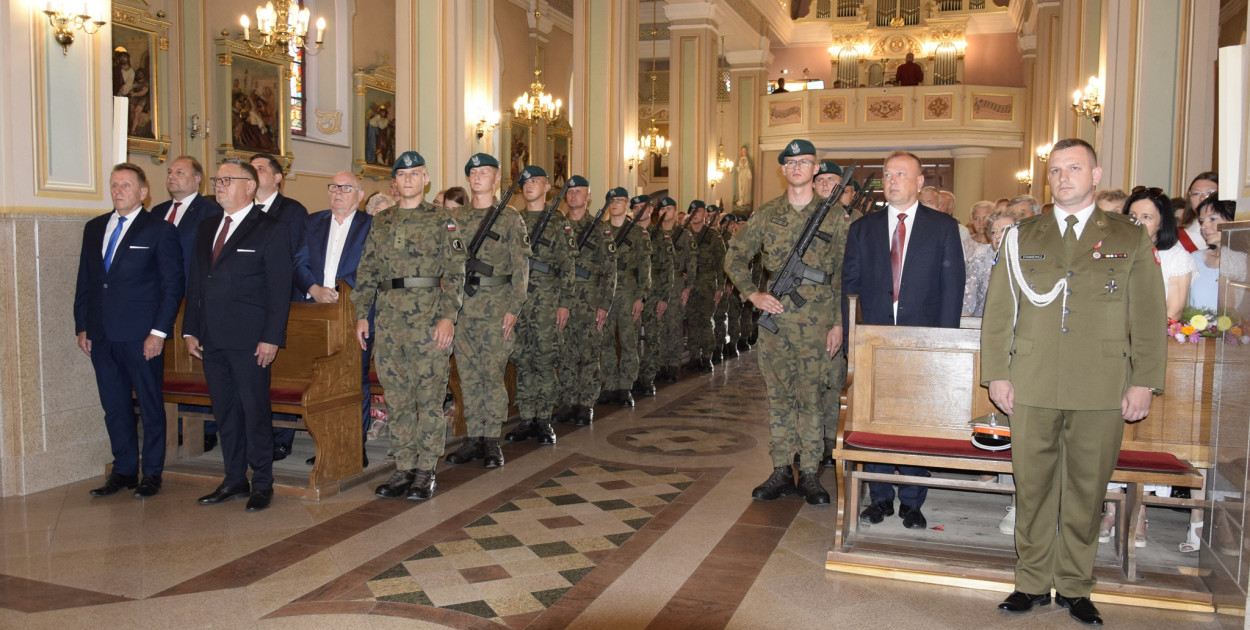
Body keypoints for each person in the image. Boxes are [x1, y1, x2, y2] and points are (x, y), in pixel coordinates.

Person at [982, 138, 1165, 626]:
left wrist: (1144, 380)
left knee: (1087, 490)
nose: (1063, 177)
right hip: (1033, 380)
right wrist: (997, 372)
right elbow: (999, 312)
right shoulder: (1023, 235)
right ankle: (1031, 583)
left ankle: (1077, 586)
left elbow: (1147, 315)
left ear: (1096, 174)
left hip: (1101, 382)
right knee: (1034, 487)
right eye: (1056, 170)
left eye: (1074, 168)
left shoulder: (1128, 236)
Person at [842, 150, 965, 530]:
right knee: (876, 420)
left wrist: (943, 345)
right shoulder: (863, 228)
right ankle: (879, 497)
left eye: (900, 173)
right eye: (887, 174)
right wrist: (852, 340)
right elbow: (850, 288)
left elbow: (952, 288)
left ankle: (912, 500)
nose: (891, 180)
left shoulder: (943, 227)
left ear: (919, 182)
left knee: (916, 423)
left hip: (923, 342)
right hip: (874, 342)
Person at [727, 138, 849, 506]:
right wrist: (752, 293)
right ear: (783, 170)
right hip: (775, 326)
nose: (797, 167)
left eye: (805, 162)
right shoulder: (765, 214)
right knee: (779, 398)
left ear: (816, 169)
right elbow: (734, 257)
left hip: (818, 325)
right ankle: (781, 469)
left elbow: (846, 273)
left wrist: (839, 323)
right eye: (791, 162)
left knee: (812, 400)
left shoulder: (834, 217)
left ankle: (810, 472)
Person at [184, 158, 293, 513]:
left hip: (250, 339)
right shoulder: (207, 227)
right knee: (225, 411)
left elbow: (280, 289)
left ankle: (262, 481)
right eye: (217, 179)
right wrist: (190, 328)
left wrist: (271, 337)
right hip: (211, 336)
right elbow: (197, 282)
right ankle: (233, 478)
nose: (219, 184)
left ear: (249, 186)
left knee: (253, 408)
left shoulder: (270, 228)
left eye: (228, 179)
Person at [356, 151, 464, 501]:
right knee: (398, 400)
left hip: (428, 322)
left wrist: (448, 316)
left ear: (425, 178)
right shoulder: (382, 221)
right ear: (395, 180)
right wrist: (361, 313)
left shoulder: (442, 219)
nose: (408, 179)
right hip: (389, 324)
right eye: (402, 174)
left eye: (414, 173)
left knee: (429, 400)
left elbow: (456, 272)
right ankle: (403, 467)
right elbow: (368, 271)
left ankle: (426, 470)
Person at [75, 163, 183, 499]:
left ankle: (151, 472)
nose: (118, 191)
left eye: (125, 185)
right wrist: (83, 326)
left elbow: (172, 286)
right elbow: (87, 282)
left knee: (150, 405)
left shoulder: (159, 231)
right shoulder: (95, 228)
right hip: (102, 333)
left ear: (143, 192)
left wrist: (158, 333)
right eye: (114, 185)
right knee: (114, 405)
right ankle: (123, 469)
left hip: (141, 335)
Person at [444, 153, 530, 469]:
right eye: (474, 172)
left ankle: (492, 439)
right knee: (468, 376)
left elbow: (522, 267)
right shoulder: (456, 219)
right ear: (469, 179)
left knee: (492, 376)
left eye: (486, 172)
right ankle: (473, 438)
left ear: (496, 179)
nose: (479, 176)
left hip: (497, 309)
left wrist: (514, 309)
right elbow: (448, 263)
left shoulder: (510, 218)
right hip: (464, 310)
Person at [290, 171, 374, 468]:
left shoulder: (371, 225)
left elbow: (372, 268)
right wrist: (312, 287)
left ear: (359, 195)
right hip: (314, 311)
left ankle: (355, 444)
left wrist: (344, 289)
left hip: (352, 311)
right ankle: (327, 443)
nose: (338, 192)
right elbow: (299, 260)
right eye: (334, 187)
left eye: (346, 188)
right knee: (321, 382)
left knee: (353, 380)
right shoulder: (312, 222)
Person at [152, 156, 225, 453]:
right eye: (170, 172)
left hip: (193, 297)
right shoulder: (157, 212)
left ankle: (206, 427)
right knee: (170, 364)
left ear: (197, 179)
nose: (171, 176)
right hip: (160, 298)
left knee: (198, 365)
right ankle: (176, 425)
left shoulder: (211, 212)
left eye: (179, 172)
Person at [506, 166, 574, 445]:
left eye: (536, 181)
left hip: (546, 299)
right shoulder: (512, 220)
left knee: (545, 360)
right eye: (525, 182)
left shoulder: (558, 222)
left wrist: (565, 304)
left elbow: (568, 266)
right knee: (522, 360)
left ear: (547, 188)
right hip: (518, 300)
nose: (529, 185)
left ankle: (544, 418)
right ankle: (526, 417)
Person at [554, 176, 617, 427]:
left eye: (579, 192)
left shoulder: (601, 230)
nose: (574, 196)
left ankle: (586, 403)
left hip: (590, 300)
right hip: (562, 300)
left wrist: (604, 304)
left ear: (588, 196)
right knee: (565, 353)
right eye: (570, 192)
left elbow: (611, 271)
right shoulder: (558, 226)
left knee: (590, 353)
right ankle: (569, 402)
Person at [598, 193, 651, 406]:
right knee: (606, 340)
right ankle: (610, 385)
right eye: (611, 201)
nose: (614, 205)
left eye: (619, 201)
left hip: (628, 291)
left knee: (629, 341)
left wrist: (641, 297)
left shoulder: (639, 234)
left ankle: (626, 386)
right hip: (605, 293)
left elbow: (645, 269)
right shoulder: (600, 231)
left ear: (628, 205)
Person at [1126, 187, 1197, 319]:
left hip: (1152, 335)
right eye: (1132, 216)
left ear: (1161, 222)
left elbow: (1173, 312)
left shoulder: (1176, 258)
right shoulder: (1117, 252)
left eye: (1146, 217)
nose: (1137, 222)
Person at [636, 198, 674, 396]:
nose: (637, 211)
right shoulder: (630, 234)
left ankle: (648, 377)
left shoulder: (661, 237)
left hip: (654, 293)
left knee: (652, 337)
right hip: (633, 294)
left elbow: (668, 270)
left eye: (641, 208)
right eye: (634, 208)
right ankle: (632, 377)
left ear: (650, 210)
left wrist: (664, 298)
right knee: (631, 339)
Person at [964, 206, 1029, 317]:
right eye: (994, 232)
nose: (997, 236)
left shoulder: (1030, 257)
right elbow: (967, 301)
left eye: (1004, 230)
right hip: (983, 323)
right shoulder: (982, 256)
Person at [683, 202, 723, 372]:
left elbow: (722, 263)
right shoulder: (684, 235)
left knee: (705, 321)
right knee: (692, 321)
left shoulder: (713, 236)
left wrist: (720, 286)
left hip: (707, 284)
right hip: (689, 285)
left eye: (698, 211)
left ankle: (707, 356)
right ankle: (694, 356)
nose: (695, 214)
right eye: (692, 211)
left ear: (705, 214)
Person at [1190, 197, 1241, 311]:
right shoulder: (1194, 258)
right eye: (1202, 221)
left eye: (1212, 219)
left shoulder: (1245, 261)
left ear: (1233, 220)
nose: (1203, 227)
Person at [1178, 171, 1218, 253]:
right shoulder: (1177, 238)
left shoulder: (1235, 233)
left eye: (1210, 193)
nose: (1202, 198)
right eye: (1196, 194)